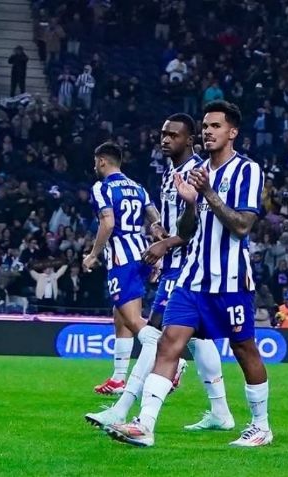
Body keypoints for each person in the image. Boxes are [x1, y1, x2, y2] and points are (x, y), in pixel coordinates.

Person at [105, 101, 271, 448]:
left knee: (244, 350)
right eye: (206, 126)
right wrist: (191, 203)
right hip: (192, 277)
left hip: (230, 280)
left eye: (216, 126)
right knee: (168, 343)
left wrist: (207, 193)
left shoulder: (247, 171)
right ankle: (144, 424)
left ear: (232, 132)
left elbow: (243, 226)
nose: (209, 132)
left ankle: (260, 426)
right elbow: (188, 231)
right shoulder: (196, 172)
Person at [86, 114, 233, 432]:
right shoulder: (171, 174)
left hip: (189, 265)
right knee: (199, 340)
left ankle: (124, 409)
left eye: (173, 135)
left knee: (156, 335)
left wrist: (165, 245)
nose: (165, 139)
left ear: (190, 139)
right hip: (178, 263)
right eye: (163, 133)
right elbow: (171, 222)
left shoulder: (197, 173)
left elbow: (199, 227)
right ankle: (221, 413)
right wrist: (160, 238)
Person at [83, 143, 181, 396]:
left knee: (134, 320)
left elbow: (108, 222)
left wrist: (93, 254)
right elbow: (155, 217)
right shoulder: (136, 186)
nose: (95, 166)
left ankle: (175, 362)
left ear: (102, 161)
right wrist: (157, 244)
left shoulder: (101, 187)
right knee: (120, 314)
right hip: (142, 255)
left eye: (96, 162)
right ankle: (117, 378)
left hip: (121, 258)